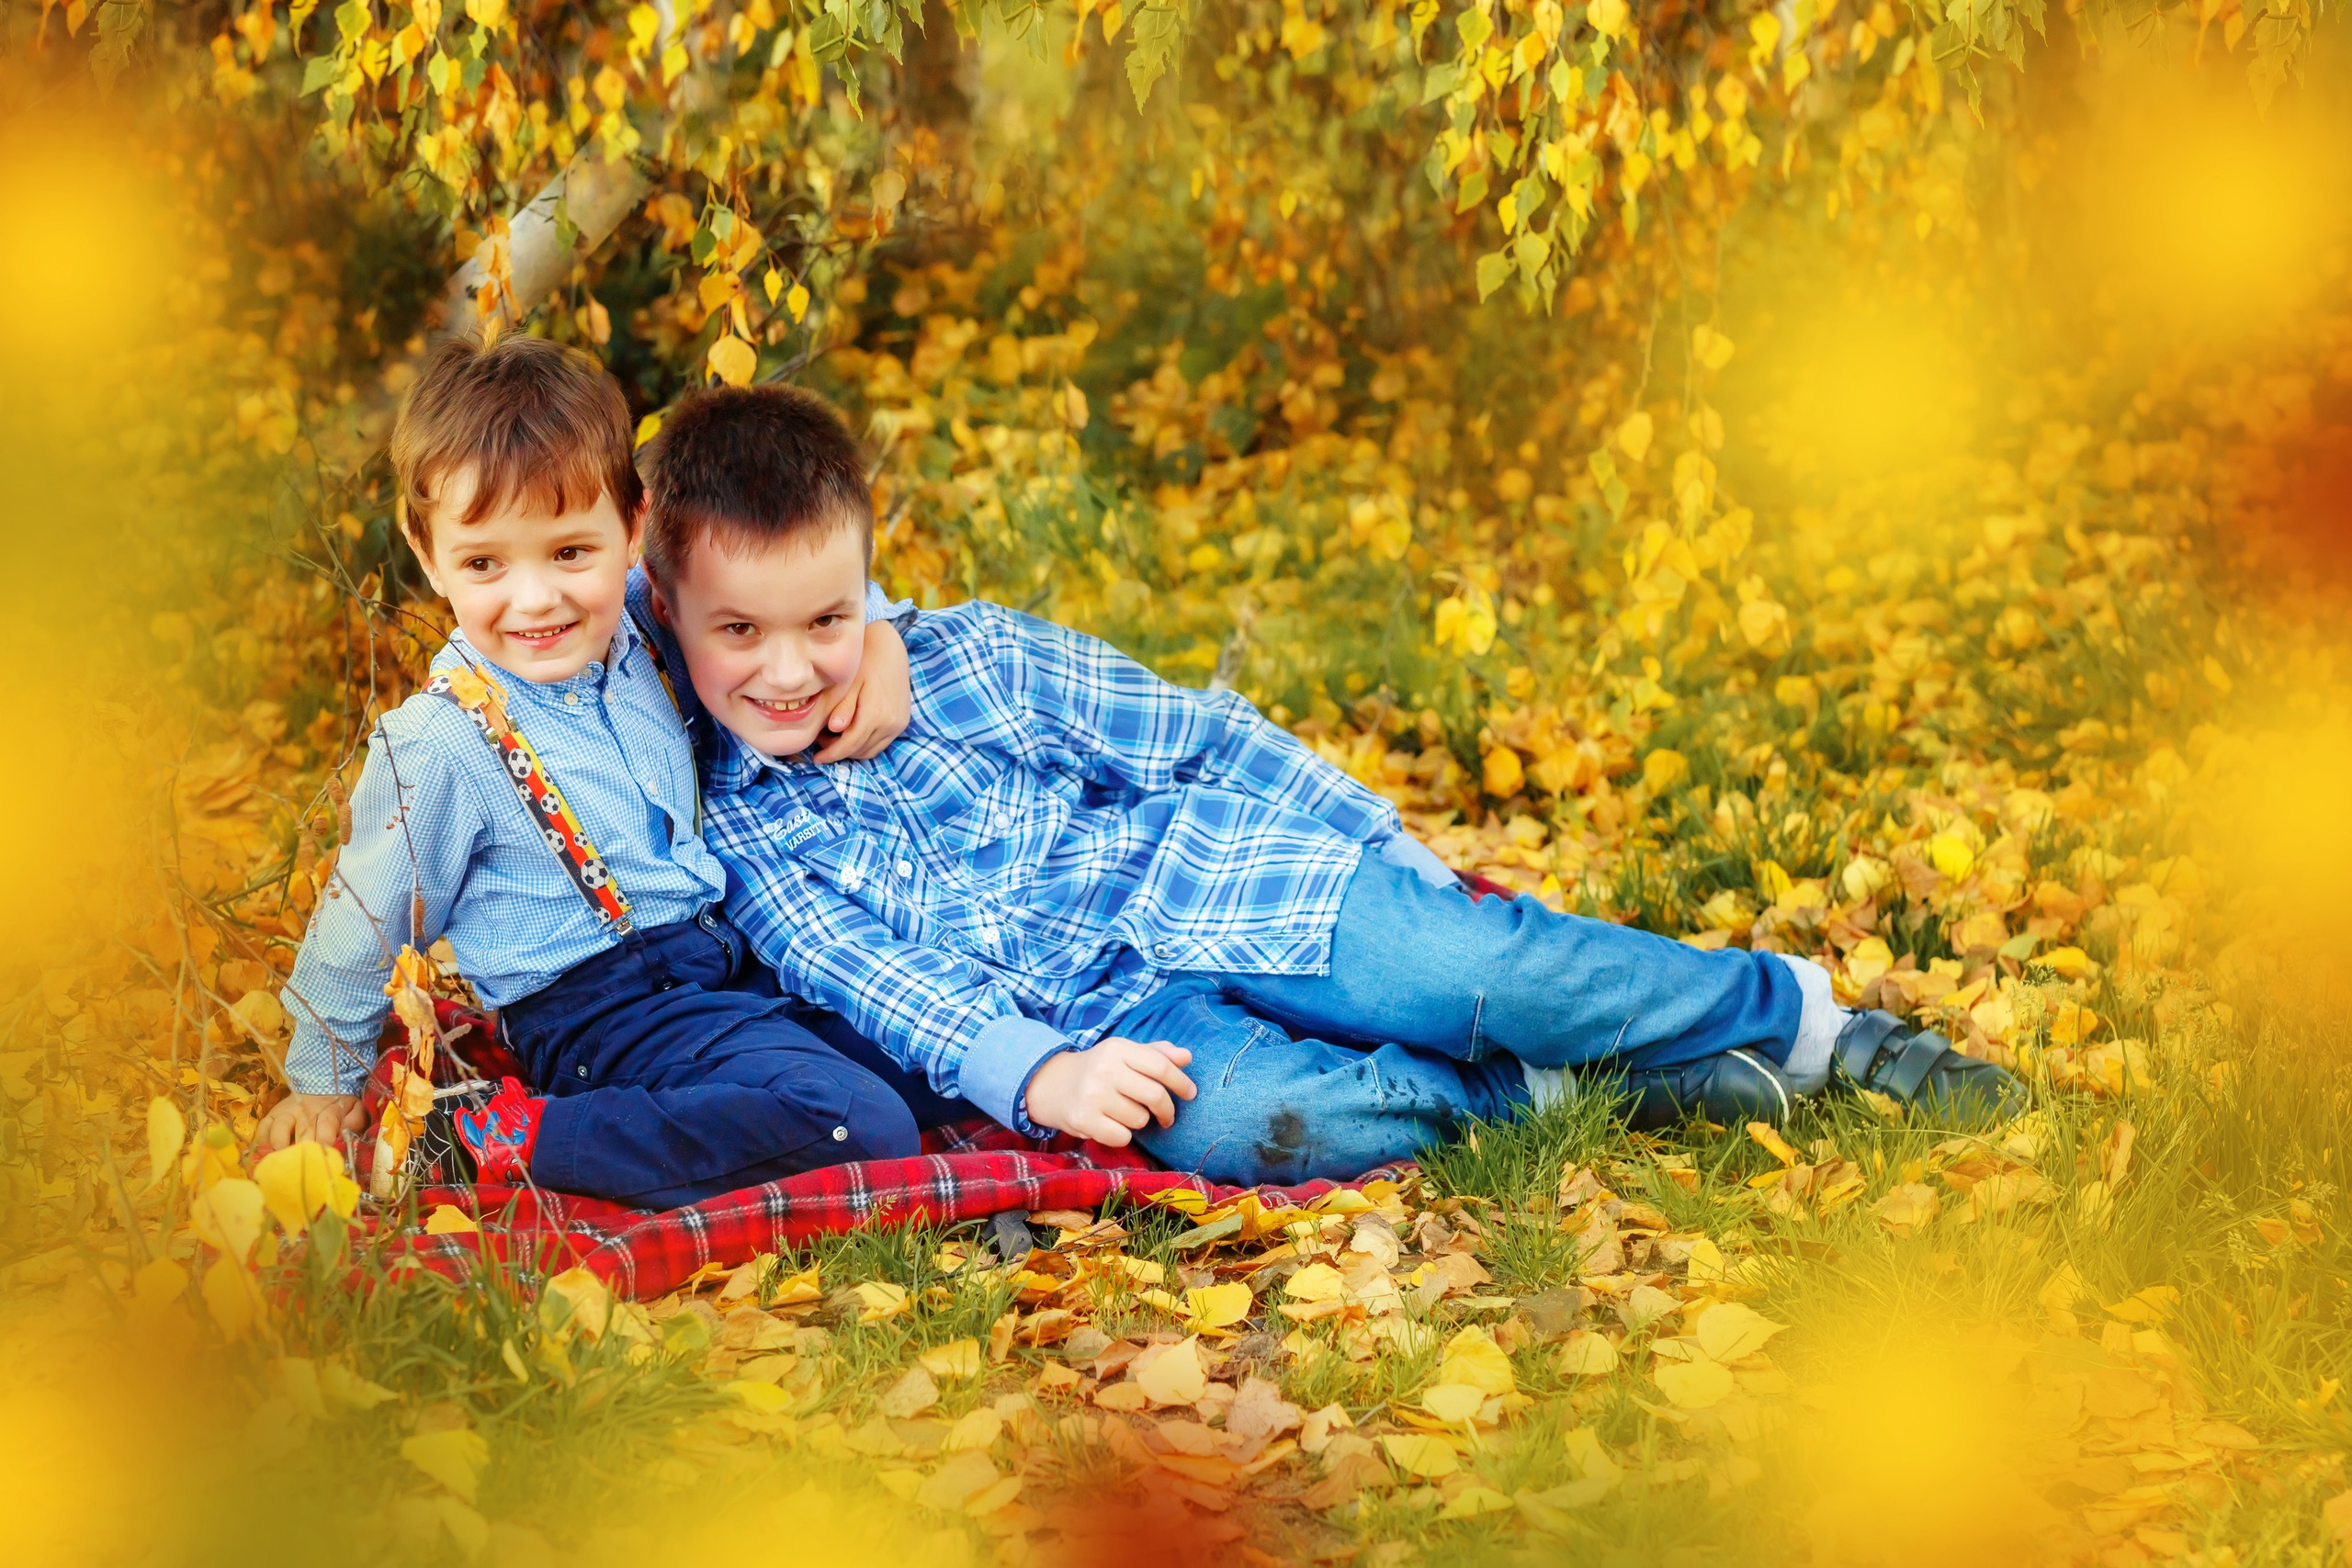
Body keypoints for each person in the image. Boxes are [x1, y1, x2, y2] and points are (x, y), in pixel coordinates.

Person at [640, 383, 2028, 1187]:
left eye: (827, 619)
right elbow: (885, 983)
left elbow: (1197, 736)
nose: (789, 669)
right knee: (1252, 1125)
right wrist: (1043, 1071)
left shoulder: (970, 658)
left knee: (1476, 965)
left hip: (1226, 875)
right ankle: (1563, 1096)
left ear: (870, 585)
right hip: (1111, 1019)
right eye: (739, 632)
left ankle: (1811, 1025)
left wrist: (1385, 845)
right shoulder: (744, 834)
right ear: (673, 621)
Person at [258, 335, 939, 1208]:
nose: (536, 599)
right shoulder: (442, 739)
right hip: (600, 1016)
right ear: (427, 554)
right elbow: (361, 914)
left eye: (571, 552)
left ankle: (760, 1105)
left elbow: (782, 588)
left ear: (633, 527)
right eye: (484, 563)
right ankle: (497, 1138)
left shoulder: (643, 622)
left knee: (930, 1057)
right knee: (859, 1124)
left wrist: (878, 632)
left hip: (727, 966)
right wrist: (321, 1081)